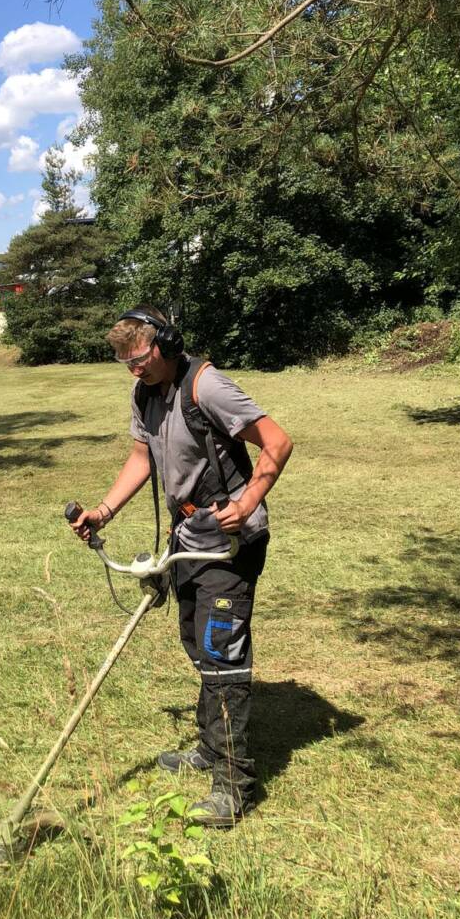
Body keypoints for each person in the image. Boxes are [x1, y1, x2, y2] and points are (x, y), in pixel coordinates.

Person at [69, 307, 293, 827]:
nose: (134, 372)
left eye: (141, 360)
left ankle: (233, 784)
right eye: (125, 364)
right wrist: (102, 511)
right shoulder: (144, 393)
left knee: (222, 651)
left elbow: (278, 442)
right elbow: (141, 459)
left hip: (229, 542)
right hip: (187, 538)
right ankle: (211, 749)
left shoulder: (207, 386)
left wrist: (252, 498)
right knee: (197, 643)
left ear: (167, 345)